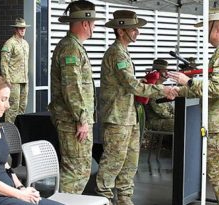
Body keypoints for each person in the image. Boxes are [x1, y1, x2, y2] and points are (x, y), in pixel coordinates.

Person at [96, 10, 177, 205]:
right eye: (133, 29)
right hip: (117, 117)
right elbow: (131, 85)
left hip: (128, 116)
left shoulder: (123, 52)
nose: (137, 32)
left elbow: (127, 83)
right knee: (113, 162)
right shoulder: (116, 53)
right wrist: (162, 90)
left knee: (130, 162)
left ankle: (125, 199)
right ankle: (104, 200)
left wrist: (144, 83)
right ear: (121, 30)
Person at [168, 7, 219, 204]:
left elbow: (218, 87)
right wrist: (179, 90)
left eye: (206, 29)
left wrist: (189, 82)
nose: (204, 34)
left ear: (215, 28)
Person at [48, 0, 103, 194]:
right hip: (73, 121)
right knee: (75, 171)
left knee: (80, 170)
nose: (94, 26)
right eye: (93, 22)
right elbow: (71, 87)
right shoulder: (70, 48)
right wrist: (82, 119)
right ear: (85, 23)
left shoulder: (73, 46)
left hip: (75, 120)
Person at [0, 74, 63, 205]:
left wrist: (21, 188)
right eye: (3, 99)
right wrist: (19, 194)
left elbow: (5, 165)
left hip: (11, 192)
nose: (7, 105)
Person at [0, 18, 30, 123]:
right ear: (15, 29)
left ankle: (18, 132)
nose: (23, 30)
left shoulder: (26, 44)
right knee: (13, 108)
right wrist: (7, 80)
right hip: (13, 81)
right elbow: (4, 63)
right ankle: (9, 134)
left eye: (24, 28)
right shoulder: (10, 43)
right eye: (20, 28)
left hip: (24, 81)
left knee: (22, 107)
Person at [146, 59, 174, 132]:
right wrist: (175, 116)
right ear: (157, 73)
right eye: (164, 71)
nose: (167, 74)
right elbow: (162, 112)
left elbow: (170, 107)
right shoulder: (153, 88)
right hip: (154, 121)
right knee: (179, 123)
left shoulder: (162, 87)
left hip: (163, 119)